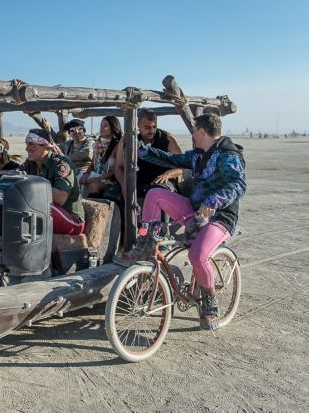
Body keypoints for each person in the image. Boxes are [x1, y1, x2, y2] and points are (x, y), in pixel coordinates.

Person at [120, 113, 246, 331]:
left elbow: (238, 184)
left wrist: (215, 201)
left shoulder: (229, 156)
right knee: (154, 194)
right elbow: (171, 159)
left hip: (220, 217)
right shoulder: (198, 155)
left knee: (196, 255)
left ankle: (209, 303)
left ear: (202, 132)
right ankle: (146, 242)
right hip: (195, 209)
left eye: (194, 130)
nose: (192, 134)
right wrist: (142, 150)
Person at [22, 128, 85, 235]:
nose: (27, 149)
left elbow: (61, 198)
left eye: (32, 144)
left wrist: (30, 186)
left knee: (37, 207)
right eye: (27, 144)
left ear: (45, 146)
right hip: (50, 212)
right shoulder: (29, 164)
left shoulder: (61, 163)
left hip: (72, 219)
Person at [114, 108, 183, 200]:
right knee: (112, 193)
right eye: (147, 127)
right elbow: (118, 167)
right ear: (138, 125)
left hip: (161, 182)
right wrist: (124, 183)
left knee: (159, 192)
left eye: (154, 127)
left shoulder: (167, 139)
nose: (151, 131)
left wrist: (167, 174)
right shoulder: (126, 140)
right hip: (137, 183)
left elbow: (183, 166)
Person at [80, 116, 122, 198]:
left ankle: (94, 209)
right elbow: (92, 165)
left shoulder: (118, 145)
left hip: (111, 179)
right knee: (77, 180)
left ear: (113, 127)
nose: (101, 128)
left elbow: (117, 170)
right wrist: (86, 174)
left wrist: (99, 178)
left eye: (105, 125)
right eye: (101, 125)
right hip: (96, 176)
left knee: (94, 185)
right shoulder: (97, 144)